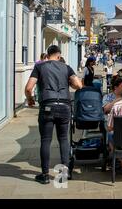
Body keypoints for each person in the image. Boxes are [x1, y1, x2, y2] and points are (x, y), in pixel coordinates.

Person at [24, 45, 83, 185]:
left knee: (45, 140)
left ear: (47, 55)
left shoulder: (40, 67)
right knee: (63, 139)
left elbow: (28, 88)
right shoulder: (66, 67)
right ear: (58, 55)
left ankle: (44, 175)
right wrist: (70, 84)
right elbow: (78, 85)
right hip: (64, 106)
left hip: (47, 106)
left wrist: (31, 99)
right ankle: (62, 175)